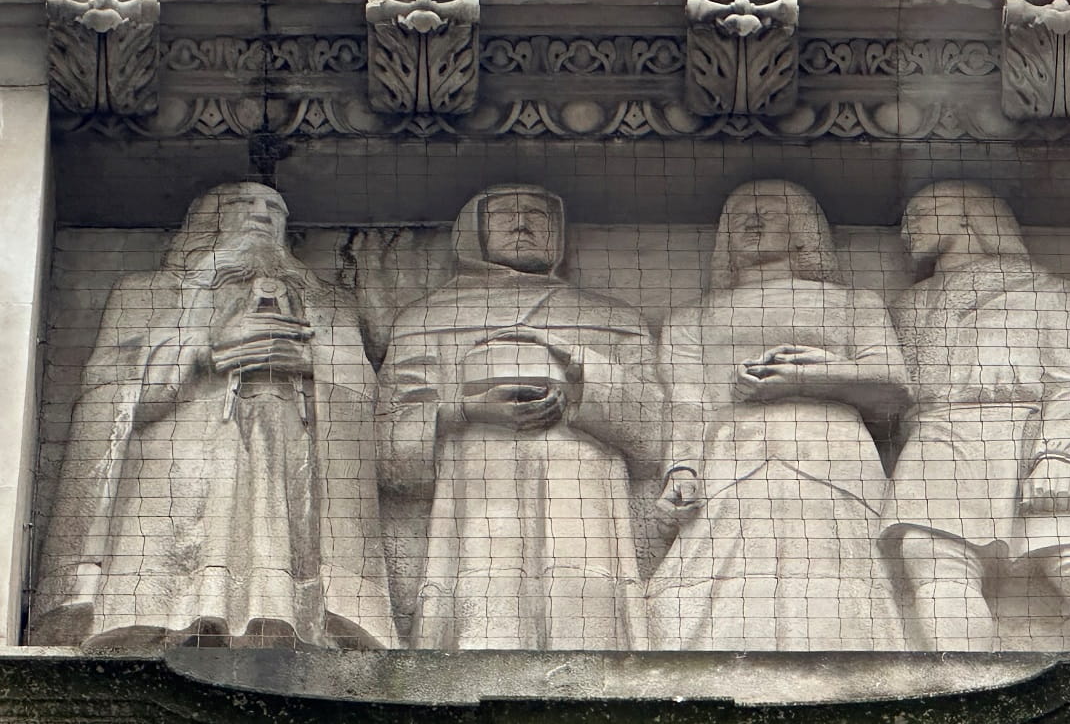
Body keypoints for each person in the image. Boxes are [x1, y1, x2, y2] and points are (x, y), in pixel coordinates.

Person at [30, 182, 397, 649]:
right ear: (207, 221)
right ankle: (154, 621)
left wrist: (307, 363)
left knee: (275, 533)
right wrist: (208, 352)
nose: (263, 215)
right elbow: (107, 393)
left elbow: (363, 389)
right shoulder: (145, 292)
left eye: (275, 208)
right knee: (176, 537)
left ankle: (285, 621)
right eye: (245, 204)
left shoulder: (325, 300)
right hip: (176, 452)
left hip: (286, 440)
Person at [376, 184, 665, 650]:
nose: (523, 224)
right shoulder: (425, 319)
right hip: (477, 492)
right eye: (504, 215)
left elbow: (652, 435)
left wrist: (581, 374)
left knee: (588, 628)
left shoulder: (611, 317)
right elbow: (389, 445)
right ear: (474, 232)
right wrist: (468, 409)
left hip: (584, 491)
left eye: (539, 215)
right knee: (482, 621)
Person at [882, 179, 1070, 651]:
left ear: (970, 216)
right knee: (933, 558)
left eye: (923, 211)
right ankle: (967, 696)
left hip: (1037, 431)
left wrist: (1064, 456)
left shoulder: (1050, 294)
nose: (908, 227)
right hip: (940, 435)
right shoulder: (907, 307)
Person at [648, 179, 910, 650]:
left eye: (769, 212)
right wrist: (680, 468)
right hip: (730, 458)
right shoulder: (691, 320)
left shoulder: (855, 305)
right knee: (716, 571)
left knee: (834, 562)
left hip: (830, 450)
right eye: (739, 215)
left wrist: (812, 379)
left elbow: (893, 389)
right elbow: (686, 403)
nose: (752, 221)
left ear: (802, 230)